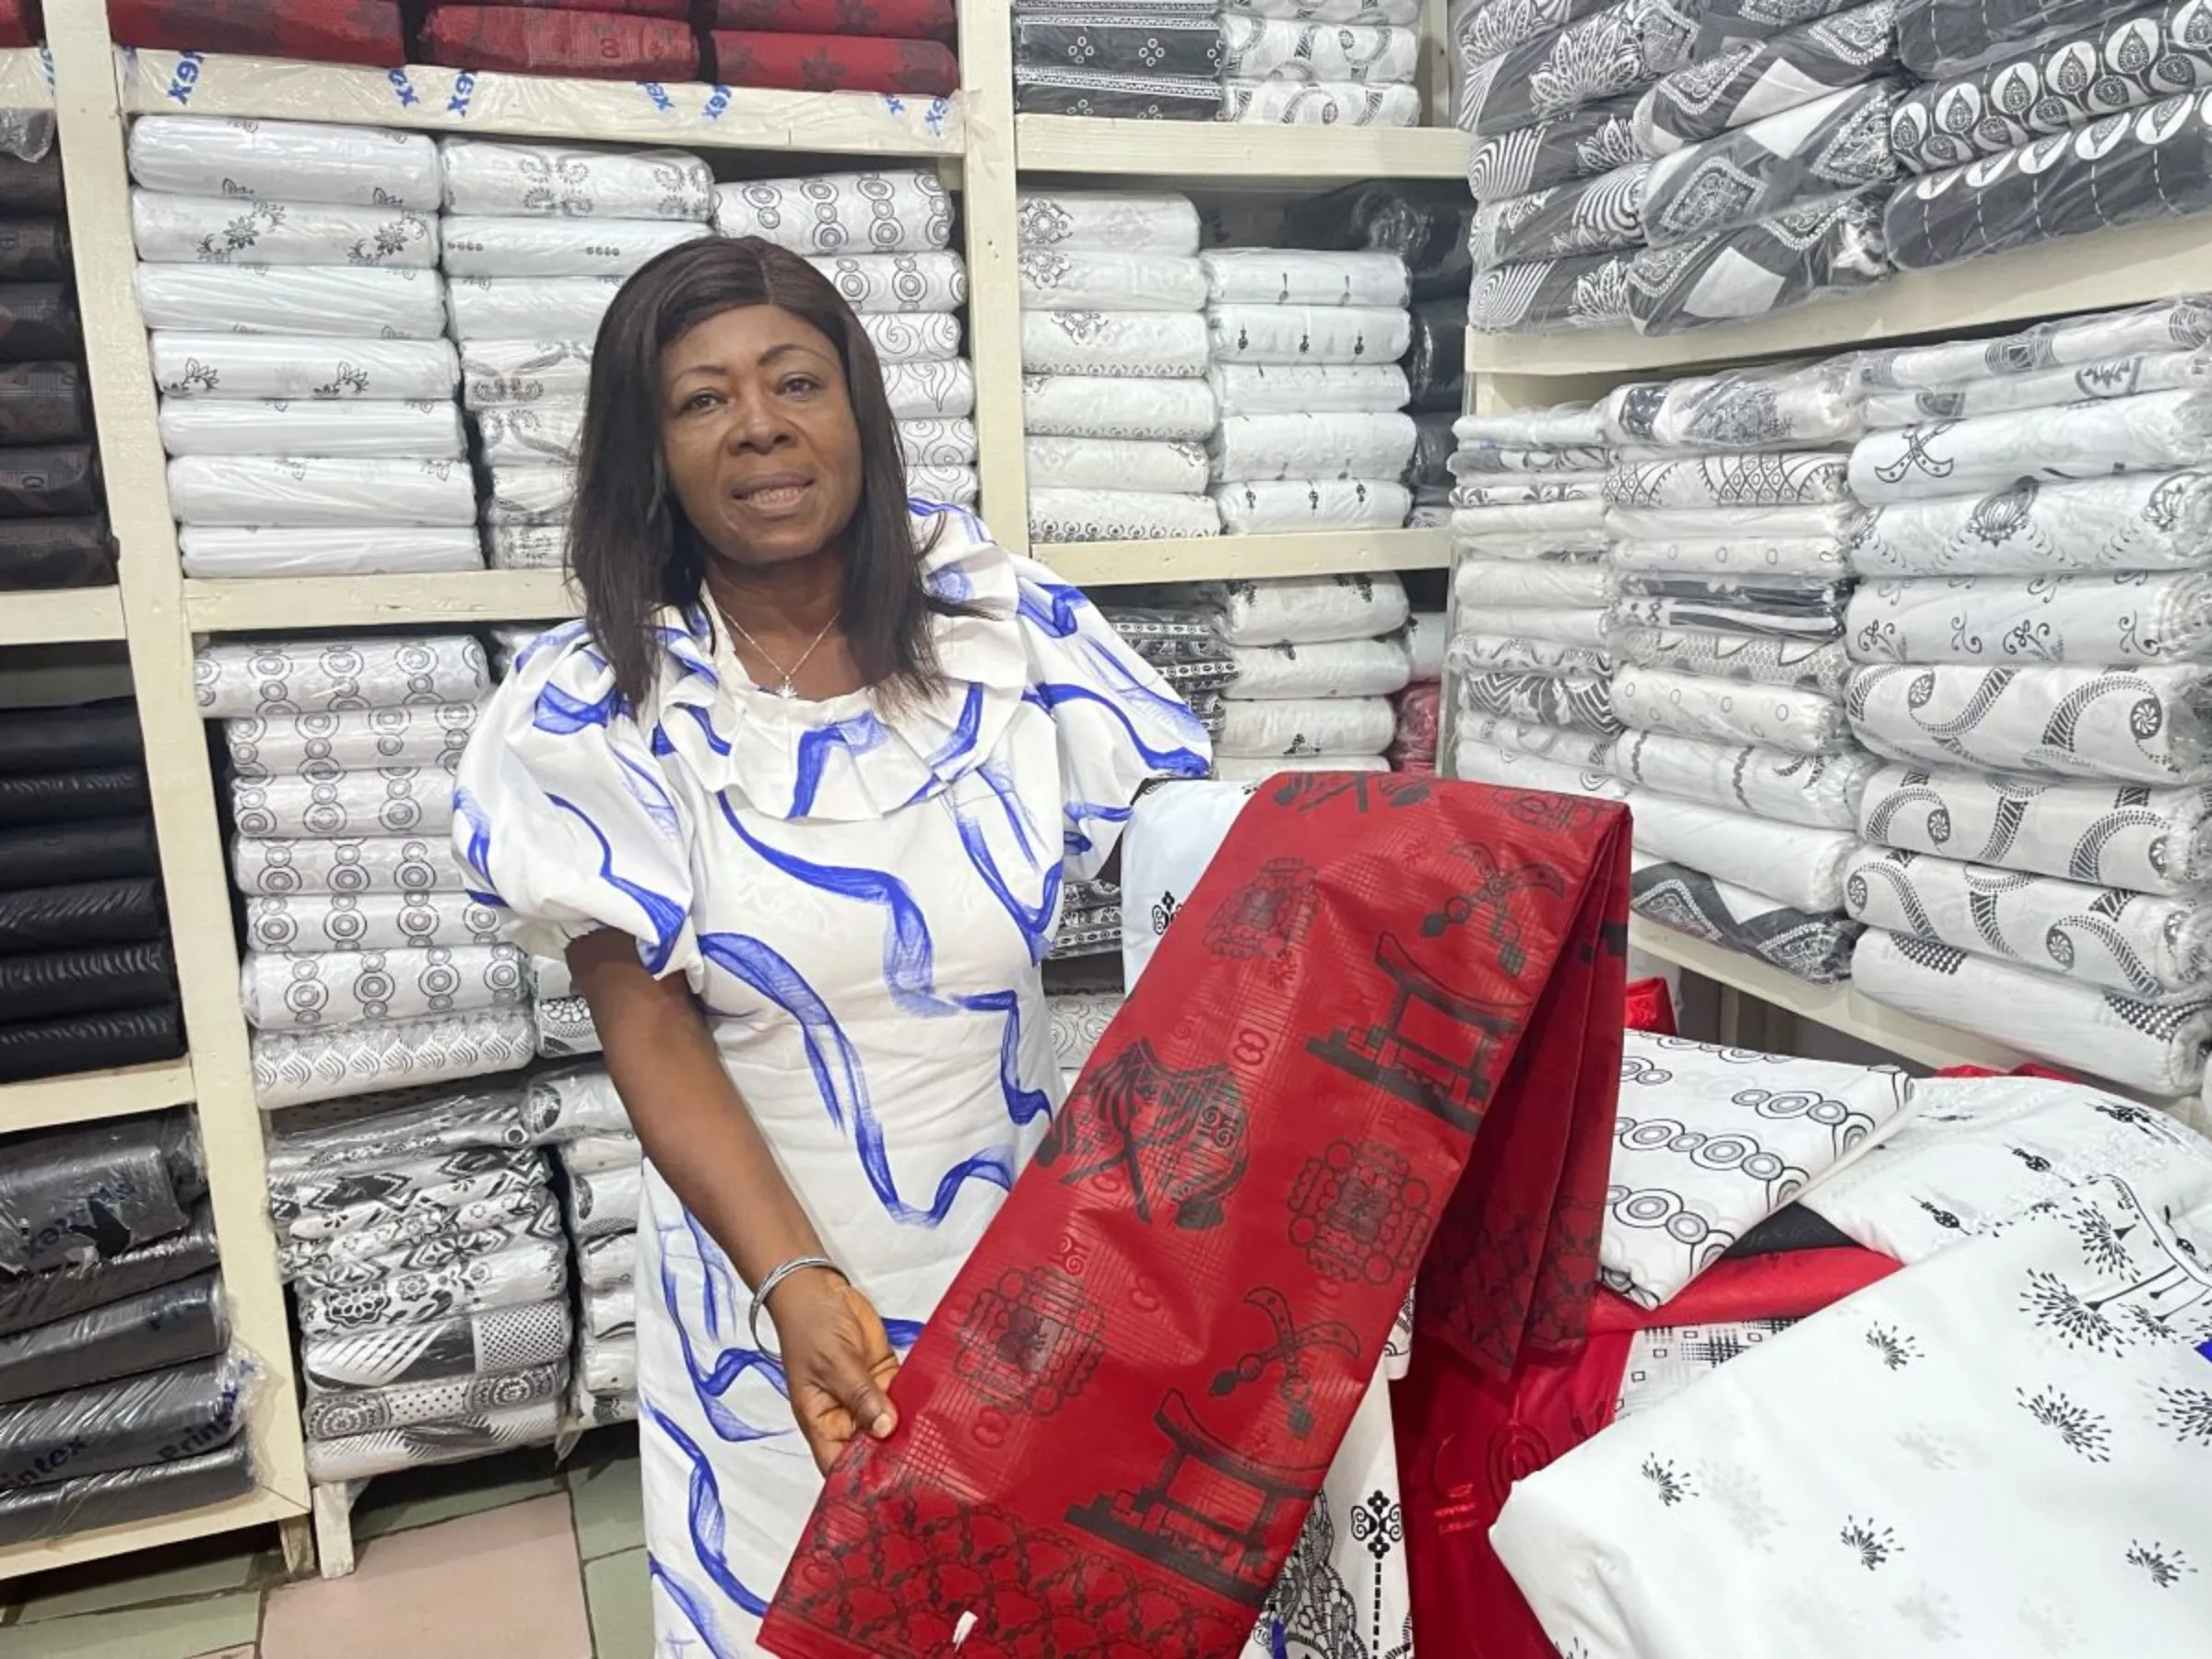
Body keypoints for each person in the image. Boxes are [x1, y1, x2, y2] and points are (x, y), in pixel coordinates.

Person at [453, 236, 1211, 1656]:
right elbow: (650, 1029)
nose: (760, 426)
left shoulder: (997, 624)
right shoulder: (601, 707)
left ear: (856, 402)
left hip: (1021, 1264)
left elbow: (1194, 853)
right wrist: (793, 1283)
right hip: (774, 1280)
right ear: (652, 451)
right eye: (701, 401)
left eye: (795, 380)